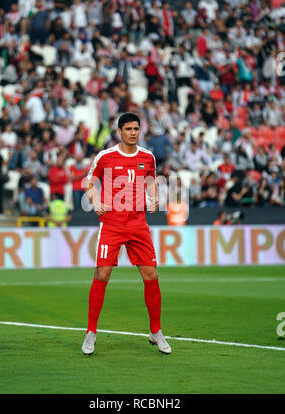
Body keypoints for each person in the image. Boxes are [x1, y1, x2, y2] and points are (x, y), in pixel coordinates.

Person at [81, 112, 171, 356]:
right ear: (119, 131)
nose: (133, 132)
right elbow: (88, 182)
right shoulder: (106, 156)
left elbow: (151, 180)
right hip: (112, 223)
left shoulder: (147, 157)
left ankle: (156, 331)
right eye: (128, 129)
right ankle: (91, 333)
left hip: (138, 224)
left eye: (136, 128)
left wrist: (154, 198)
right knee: (102, 273)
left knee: (151, 274)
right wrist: (96, 201)